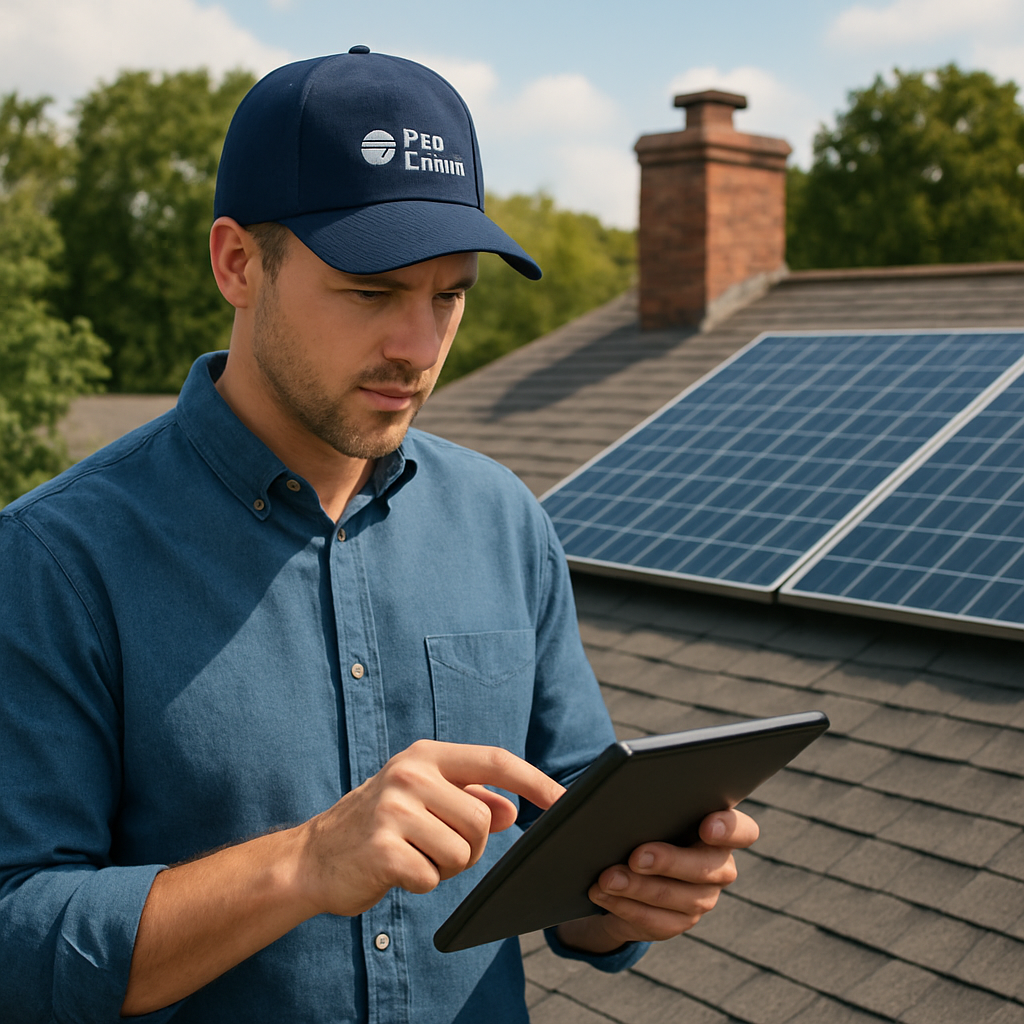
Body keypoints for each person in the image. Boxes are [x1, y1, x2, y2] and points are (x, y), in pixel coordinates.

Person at [0, 49, 758, 1024]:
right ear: (237, 263)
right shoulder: (54, 559)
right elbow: (17, 939)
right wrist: (305, 862)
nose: (419, 345)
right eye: (371, 292)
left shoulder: (502, 522)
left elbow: (572, 843)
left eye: (449, 294)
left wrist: (633, 896)